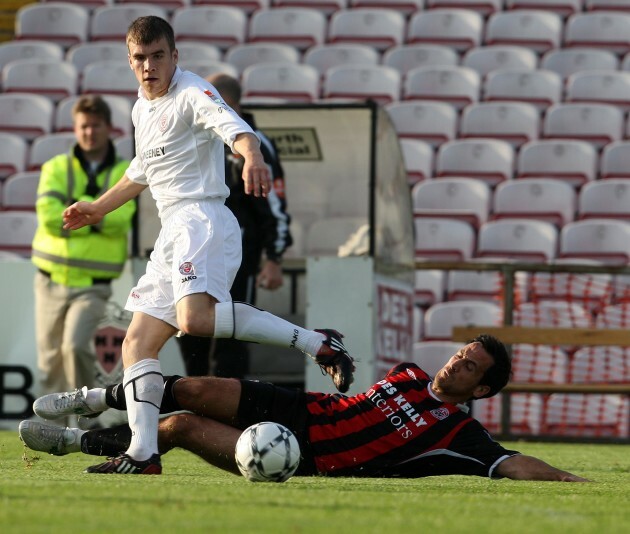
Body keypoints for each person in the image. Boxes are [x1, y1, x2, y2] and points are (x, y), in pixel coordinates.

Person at [59, 16, 354, 475]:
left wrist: (251, 154)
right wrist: (99, 207)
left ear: (175, 57)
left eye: (159, 56)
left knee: (193, 320)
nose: (149, 66)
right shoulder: (141, 108)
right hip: (172, 232)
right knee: (136, 344)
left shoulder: (192, 92)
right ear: (130, 61)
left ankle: (317, 343)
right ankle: (143, 453)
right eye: (140, 58)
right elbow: (141, 169)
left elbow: (234, 127)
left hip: (203, 219)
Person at [20, 335, 589, 481]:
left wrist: (570, 479)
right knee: (189, 385)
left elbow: (511, 463)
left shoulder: (460, 433)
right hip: (299, 407)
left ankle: (72, 442)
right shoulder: (410, 374)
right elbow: (358, 401)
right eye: (460, 354)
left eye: (469, 367)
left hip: (306, 455)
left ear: (482, 390)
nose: (455, 364)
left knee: (177, 426)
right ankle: (94, 399)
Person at [176, 73, 291, 378]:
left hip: (238, 256)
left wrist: (274, 258)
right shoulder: (198, 137)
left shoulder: (255, 145)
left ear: (231, 105)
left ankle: (230, 413)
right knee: (190, 334)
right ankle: (195, 408)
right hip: (197, 252)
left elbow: (274, 205)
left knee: (231, 334)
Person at [32, 95, 136, 401]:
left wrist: (78, 217)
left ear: (108, 127)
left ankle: (85, 421)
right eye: (83, 126)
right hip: (49, 279)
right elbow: (49, 219)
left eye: (95, 125)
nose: (89, 132)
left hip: (93, 286)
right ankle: (52, 428)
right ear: (75, 129)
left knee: (74, 347)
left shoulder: (123, 172)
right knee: (49, 360)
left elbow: (122, 219)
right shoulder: (55, 167)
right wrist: (97, 216)